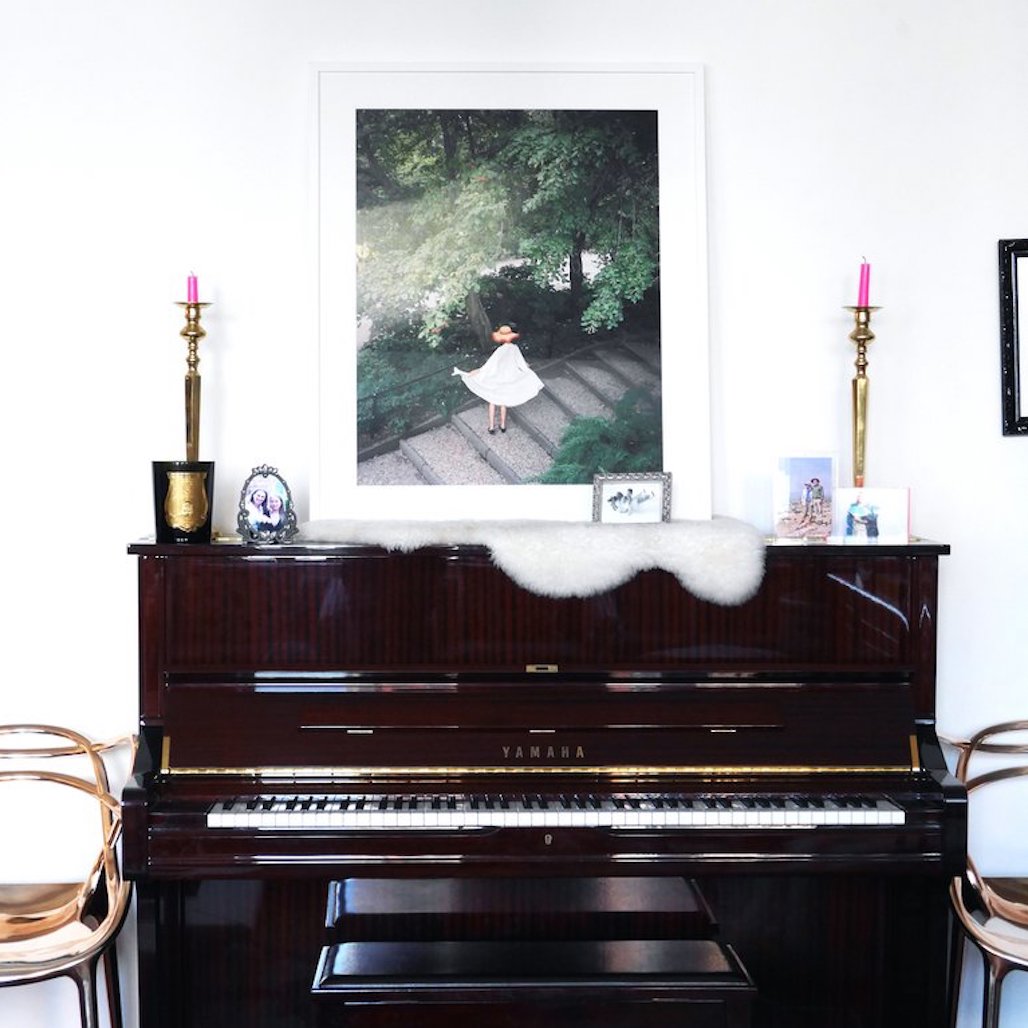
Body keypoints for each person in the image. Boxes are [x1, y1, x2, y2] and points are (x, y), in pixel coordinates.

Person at [452, 324, 544, 434]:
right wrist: (527, 368)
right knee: (503, 402)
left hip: (497, 378)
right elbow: (521, 364)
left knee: (492, 401)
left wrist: (476, 371)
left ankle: (491, 426)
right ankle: (503, 425)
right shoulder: (514, 348)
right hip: (509, 378)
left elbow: (489, 366)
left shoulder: (500, 350)